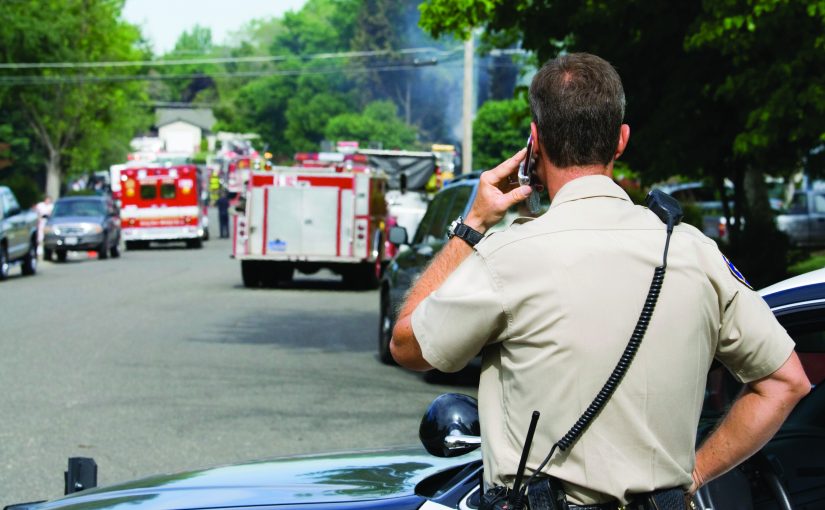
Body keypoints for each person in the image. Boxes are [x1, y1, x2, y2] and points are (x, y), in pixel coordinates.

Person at [390, 53, 810, 509]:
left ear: (535, 141)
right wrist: (693, 476)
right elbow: (786, 382)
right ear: (621, 140)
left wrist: (472, 224)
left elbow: (408, 347)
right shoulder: (694, 252)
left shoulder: (506, 256)